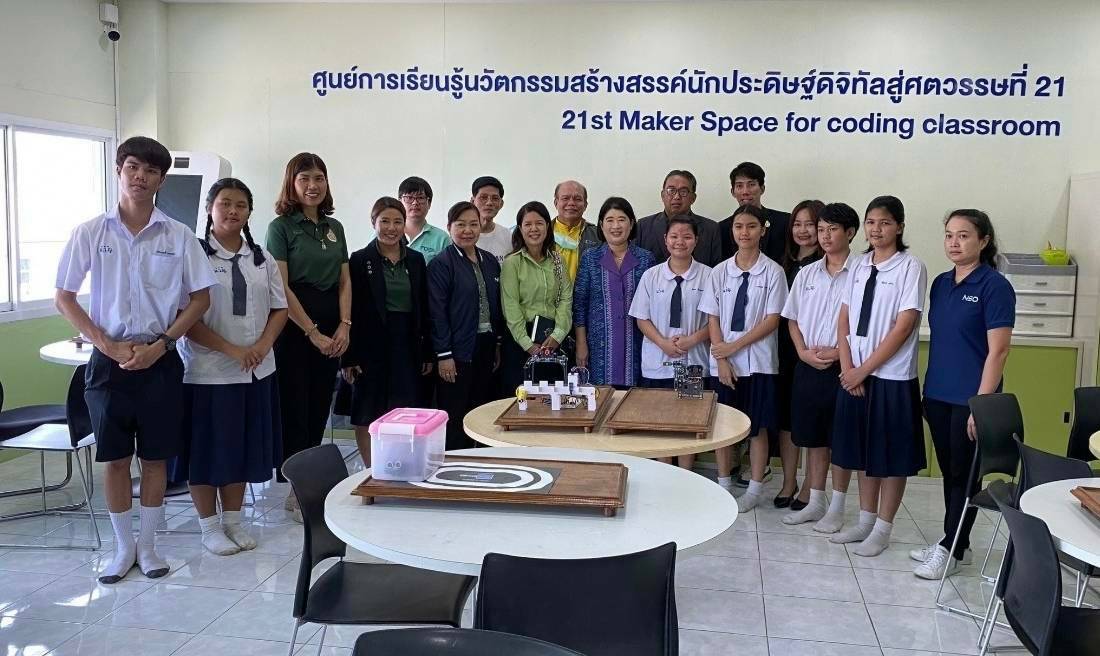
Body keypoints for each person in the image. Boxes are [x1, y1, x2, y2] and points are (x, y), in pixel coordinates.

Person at [55, 136, 216, 583]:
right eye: (132, 167)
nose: (140, 177)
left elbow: (200, 299)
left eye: (150, 171)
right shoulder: (91, 232)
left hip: (160, 359)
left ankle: (148, 547)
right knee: (114, 458)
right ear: (118, 171)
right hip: (108, 362)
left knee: (156, 458)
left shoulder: (178, 235)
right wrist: (105, 344)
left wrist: (161, 344)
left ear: (161, 180)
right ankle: (122, 547)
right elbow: (64, 297)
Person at [178, 178, 287, 555]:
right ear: (210, 208)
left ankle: (234, 521)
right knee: (206, 451)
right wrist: (232, 350)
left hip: (256, 370)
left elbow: (279, 308)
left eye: (241, 205)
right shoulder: (194, 255)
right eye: (225, 203)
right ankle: (209, 526)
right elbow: (185, 318)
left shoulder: (261, 258)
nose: (233, 211)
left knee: (240, 448)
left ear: (249, 212)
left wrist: (261, 347)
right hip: (208, 372)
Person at [914, 209, 1013, 579]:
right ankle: (957, 543)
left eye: (964, 235)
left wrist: (981, 405)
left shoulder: (994, 286)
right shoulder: (941, 284)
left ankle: (951, 550)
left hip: (971, 400)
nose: (954, 243)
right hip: (938, 395)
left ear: (983, 241)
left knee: (964, 476)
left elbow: (998, 352)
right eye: (949, 235)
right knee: (950, 473)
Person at [829, 196, 928, 557]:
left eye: (884, 223)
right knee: (861, 450)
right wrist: (847, 368)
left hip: (890, 377)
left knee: (891, 456)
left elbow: (904, 326)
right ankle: (865, 520)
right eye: (871, 222)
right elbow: (844, 317)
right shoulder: (858, 265)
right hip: (854, 373)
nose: (876, 229)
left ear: (899, 227)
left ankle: (883, 528)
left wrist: (863, 370)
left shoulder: (910, 267)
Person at [266, 152, 351, 522]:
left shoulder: (335, 227)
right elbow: (280, 287)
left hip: (332, 325)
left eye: (319, 178)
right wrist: (312, 332)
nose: (313, 186)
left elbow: (345, 280)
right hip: (295, 327)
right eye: (305, 179)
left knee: (318, 408)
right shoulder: (281, 227)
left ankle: (308, 484)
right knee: (295, 409)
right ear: (292, 183)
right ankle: (297, 489)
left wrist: (344, 325)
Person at [699, 204, 787, 511]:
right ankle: (724, 484)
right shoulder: (719, 271)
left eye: (751, 226)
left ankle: (755, 488)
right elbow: (712, 316)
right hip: (724, 363)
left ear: (762, 230)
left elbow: (772, 319)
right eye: (738, 227)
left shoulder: (773, 272)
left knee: (757, 428)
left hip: (759, 362)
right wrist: (722, 358)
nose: (744, 232)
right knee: (722, 426)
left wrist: (733, 347)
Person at [779, 203, 859, 527]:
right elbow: (792, 319)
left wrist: (840, 353)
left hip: (845, 367)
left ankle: (837, 508)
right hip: (808, 364)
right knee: (813, 438)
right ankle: (815, 501)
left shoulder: (863, 273)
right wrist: (801, 352)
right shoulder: (807, 273)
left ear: (850, 233)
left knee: (840, 439)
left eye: (832, 230)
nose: (824, 236)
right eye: (821, 229)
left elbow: (868, 325)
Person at [342, 197, 433, 466]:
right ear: (374, 223)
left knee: (404, 410)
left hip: (406, 345)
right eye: (385, 221)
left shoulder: (416, 260)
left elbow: (424, 308)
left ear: (405, 224)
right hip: (369, 347)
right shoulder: (359, 259)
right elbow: (350, 309)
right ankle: (370, 470)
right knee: (367, 411)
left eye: (397, 222)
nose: (391, 228)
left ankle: (399, 466)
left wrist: (427, 351)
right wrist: (349, 357)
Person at [629, 215, 713, 470]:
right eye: (674, 236)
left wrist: (691, 340)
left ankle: (686, 473)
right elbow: (641, 318)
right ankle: (664, 472)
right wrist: (663, 343)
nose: (680, 242)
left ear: (696, 240)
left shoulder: (708, 276)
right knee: (660, 421)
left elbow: (715, 320)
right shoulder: (651, 276)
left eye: (687, 236)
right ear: (665, 239)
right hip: (658, 361)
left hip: (692, 362)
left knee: (689, 421)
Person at [429, 202, 505, 450]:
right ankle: (455, 462)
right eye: (460, 225)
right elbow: (437, 313)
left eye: (473, 224)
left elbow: (496, 305)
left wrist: (497, 344)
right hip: (457, 350)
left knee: (482, 410)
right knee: (455, 413)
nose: (468, 230)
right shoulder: (442, 264)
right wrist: (444, 355)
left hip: (485, 345)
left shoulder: (489, 261)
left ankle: (481, 462)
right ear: (449, 227)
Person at [773, 200, 825, 509]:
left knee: (812, 421)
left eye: (810, 224)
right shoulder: (785, 265)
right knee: (787, 420)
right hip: (784, 350)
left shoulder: (827, 265)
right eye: (797, 224)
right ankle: (788, 480)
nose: (803, 231)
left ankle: (810, 486)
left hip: (814, 352)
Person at [573, 197, 655, 388]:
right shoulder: (590, 258)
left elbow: (654, 305)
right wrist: (581, 343)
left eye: (622, 220)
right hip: (599, 348)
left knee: (634, 401)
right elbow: (579, 305)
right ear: (601, 225)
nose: (616, 226)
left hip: (637, 345)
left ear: (631, 224)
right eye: (610, 220)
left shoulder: (646, 259)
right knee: (600, 399)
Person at [500, 201, 574, 392]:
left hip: (553, 339)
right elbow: (510, 306)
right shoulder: (512, 263)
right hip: (520, 342)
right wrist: (528, 345)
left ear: (547, 226)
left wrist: (558, 335)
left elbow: (565, 299)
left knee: (553, 398)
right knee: (522, 399)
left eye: (539, 223)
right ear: (520, 229)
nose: (534, 229)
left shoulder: (558, 261)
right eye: (528, 224)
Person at [635, 170, 722, 267]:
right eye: (671, 191)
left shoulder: (711, 229)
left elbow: (717, 270)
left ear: (693, 198)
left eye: (683, 191)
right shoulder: (643, 226)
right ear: (662, 195)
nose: (677, 197)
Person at [718, 162, 791, 263]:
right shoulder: (722, 228)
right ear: (733, 192)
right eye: (739, 186)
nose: (745, 191)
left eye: (751, 185)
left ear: (762, 189)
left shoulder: (784, 221)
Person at [551, 180, 600, 280]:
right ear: (556, 203)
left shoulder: (598, 235)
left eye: (577, 199)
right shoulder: (543, 233)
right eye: (565, 198)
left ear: (585, 205)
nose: (571, 203)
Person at [399, 176, 450, 263]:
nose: (415, 203)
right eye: (409, 198)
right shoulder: (388, 233)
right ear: (400, 202)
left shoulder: (441, 238)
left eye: (420, 198)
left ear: (429, 203)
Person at [471, 176, 512, 263]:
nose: (489, 203)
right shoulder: (463, 236)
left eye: (495, 198)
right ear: (472, 201)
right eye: (483, 197)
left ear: (501, 204)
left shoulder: (508, 236)